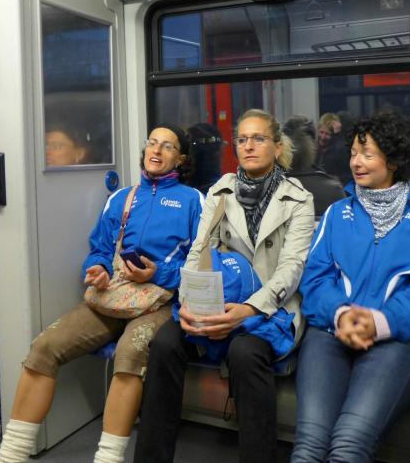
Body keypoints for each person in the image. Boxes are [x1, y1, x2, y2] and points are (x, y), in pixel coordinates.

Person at [0, 125, 203, 463]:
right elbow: (100, 249)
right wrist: (99, 269)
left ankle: (107, 459)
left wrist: (158, 273)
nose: (156, 150)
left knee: (129, 354)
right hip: (113, 295)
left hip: (160, 300)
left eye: (167, 146)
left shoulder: (194, 201)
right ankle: (11, 455)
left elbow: (201, 265)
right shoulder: (121, 198)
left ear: (180, 159)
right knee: (45, 347)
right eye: (152, 142)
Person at [133, 109, 315, 463]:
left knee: (245, 352)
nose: (249, 146)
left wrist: (248, 310)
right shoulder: (222, 190)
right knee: (166, 342)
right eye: (242, 139)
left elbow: (292, 268)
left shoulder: (298, 199)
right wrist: (189, 301)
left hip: (270, 307)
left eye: (258, 139)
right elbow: (198, 252)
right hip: (219, 298)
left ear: (277, 147)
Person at [290, 112, 410, 462]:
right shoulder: (337, 214)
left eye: (367, 154)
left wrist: (377, 322)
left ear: (392, 160)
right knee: (309, 445)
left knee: (349, 444)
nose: (355, 162)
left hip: (396, 341)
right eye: (353, 153)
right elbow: (315, 279)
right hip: (330, 332)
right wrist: (341, 314)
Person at [282, 115, 345, 217]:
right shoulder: (332, 190)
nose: (323, 137)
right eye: (321, 132)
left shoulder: (268, 187)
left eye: (327, 134)